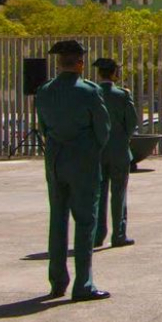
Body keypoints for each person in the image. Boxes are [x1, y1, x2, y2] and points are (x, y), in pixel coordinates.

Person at [35, 40, 111, 301]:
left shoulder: (44, 91)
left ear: (59, 63)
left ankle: (57, 281)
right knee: (86, 220)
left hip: (56, 160)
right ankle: (83, 283)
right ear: (80, 62)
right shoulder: (89, 91)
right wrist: (92, 150)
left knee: (58, 220)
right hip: (83, 161)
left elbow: (44, 127)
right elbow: (103, 128)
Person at [92, 57, 137, 249]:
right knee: (119, 193)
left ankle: (97, 234)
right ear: (114, 74)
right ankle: (119, 234)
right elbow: (132, 123)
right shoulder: (122, 95)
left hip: (97, 151)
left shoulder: (92, 94)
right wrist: (122, 139)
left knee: (98, 195)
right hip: (119, 151)